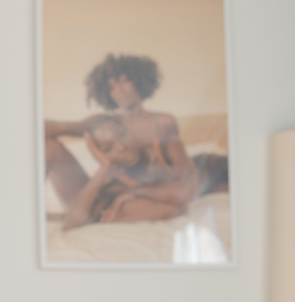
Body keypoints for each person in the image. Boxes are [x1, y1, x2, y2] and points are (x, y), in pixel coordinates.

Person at [44, 53, 201, 229]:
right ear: (107, 94)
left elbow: (185, 182)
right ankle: (28, 208)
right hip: (99, 191)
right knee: (48, 148)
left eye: (125, 81)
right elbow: (50, 128)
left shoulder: (163, 123)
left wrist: (130, 191)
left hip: (145, 195)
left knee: (172, 208)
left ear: (139, 81)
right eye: (112, 87)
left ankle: (84, 216)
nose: (120, 90)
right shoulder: (103, 123)